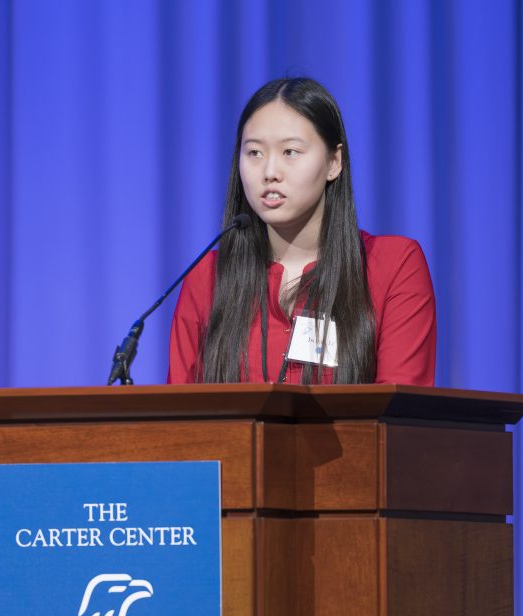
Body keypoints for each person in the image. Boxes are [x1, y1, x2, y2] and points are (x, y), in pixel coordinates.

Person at [167, 77, 436, 386]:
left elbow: (399, 404)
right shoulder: (208, 278)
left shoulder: (393, 265)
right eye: (254, 153)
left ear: (334, 162)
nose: (270, 172)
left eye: (290, 152)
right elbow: (181, 409)